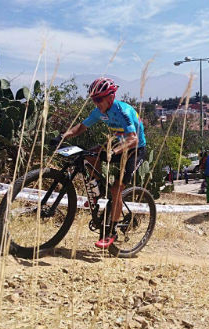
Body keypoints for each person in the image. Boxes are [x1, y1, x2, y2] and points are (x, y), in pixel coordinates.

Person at [50, 77, 146, 248]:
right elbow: (81, 127)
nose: (96, 103)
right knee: (88, 154)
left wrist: (114, 151)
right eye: (93, 100)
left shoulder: (123, 111)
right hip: (117, 144)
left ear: (110, 97)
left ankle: (112, 232)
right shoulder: (99, 112)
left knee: (117, 190)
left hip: (134, 149)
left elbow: (133, 139)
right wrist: (63, 136)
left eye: (99, 99)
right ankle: (98, 189)